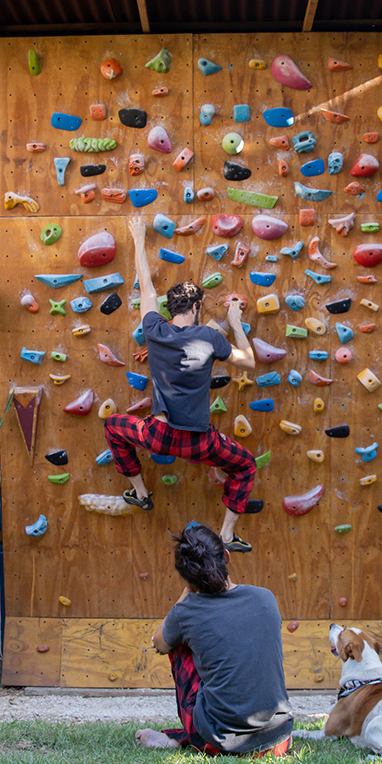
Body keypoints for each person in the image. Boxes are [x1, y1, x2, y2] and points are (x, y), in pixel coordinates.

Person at [104, 215, 260, 552]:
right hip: (198, 442)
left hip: (157, 436)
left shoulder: (155, 330)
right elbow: (248, 361)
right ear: (198, 306)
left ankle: (141, 493)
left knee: (113, 426)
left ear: (169, 307)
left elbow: (145, 285)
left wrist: (138, 237)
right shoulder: (209, 336)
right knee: (246, 464)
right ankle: (228, 536)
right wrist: (235, 324)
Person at [135, 523, 293, 756]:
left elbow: (158, 643)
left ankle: (187, 736)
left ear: (185, 577)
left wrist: (188, 590)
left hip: (219, 743)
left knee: (176, 645)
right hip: (278, 741)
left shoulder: (185, 612)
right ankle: (186, 736)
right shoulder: (266, 598)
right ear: (226, 556)